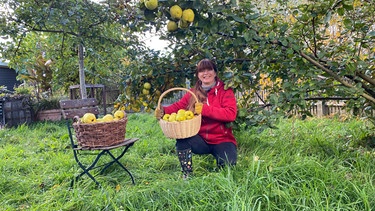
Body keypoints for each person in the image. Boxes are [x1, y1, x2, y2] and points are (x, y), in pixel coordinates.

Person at [155, 59, 238, 178]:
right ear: (198, 75)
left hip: (222, 139)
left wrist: (205, 109)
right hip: (200, 139)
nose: (206, 73)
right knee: (182, 140)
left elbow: (230, 114)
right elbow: (178, 106)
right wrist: (163, 111)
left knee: (228, 167)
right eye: (201, 71)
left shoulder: (225, 91)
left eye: (209, 69)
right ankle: (187, 174)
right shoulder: (193, 93)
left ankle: (220, 172)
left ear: (215, 72)